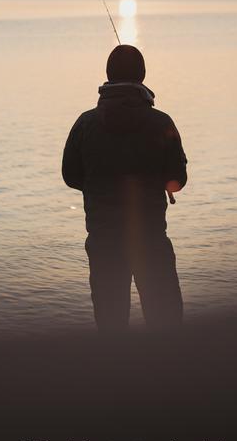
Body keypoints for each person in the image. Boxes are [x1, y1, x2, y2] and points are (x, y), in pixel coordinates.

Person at [62, 44, 187, 332]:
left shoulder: (85, 123)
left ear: (108, 75)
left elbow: (70, 175)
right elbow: (178, 180)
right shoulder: (161, 123)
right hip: (151, 239)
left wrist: (98, 186)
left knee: (111, 327)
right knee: (166, 325)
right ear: (142, 75)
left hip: (103, 239)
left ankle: (116, 375)